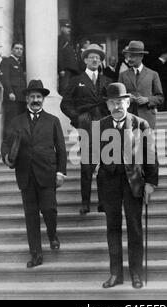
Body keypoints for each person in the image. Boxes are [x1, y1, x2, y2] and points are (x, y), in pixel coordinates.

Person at [1, 80, 67, 268]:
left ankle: (52, 234)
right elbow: (6, 143)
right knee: (31, 216)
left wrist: (61, 172)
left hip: (47, 173)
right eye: (32, 97)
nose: (35, 100)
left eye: (39, 97)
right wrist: (6, 156)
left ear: (43, 99)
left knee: (49, 210)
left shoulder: (53, 120)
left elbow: (61, 149)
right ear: (27, 99)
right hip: (26, 175)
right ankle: (36, 255)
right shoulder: (16, 121)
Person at [98, 82, 159, 289]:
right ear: (107, 105)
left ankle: (136, 274)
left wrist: (150, 182)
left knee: (134, 228)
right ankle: (116, 274)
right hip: (109, 185)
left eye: (121, 102)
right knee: (112, 229)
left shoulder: (140, 124)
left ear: (128, 102)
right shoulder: (100, 126)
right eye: (113, 102)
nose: (117, 106)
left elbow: (151, 155)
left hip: (133, 183)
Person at [61, 44, 112, 215]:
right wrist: (77, 118)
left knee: (105, 164)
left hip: (105, 124)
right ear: (85, 60)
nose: (95, 59)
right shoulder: (77, 80)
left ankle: (103, 202)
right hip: (86, 124)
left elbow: (113, 103)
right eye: (92, 57)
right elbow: (65, 103)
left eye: (98, 57)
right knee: (86, 165)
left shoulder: (107, 82)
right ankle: (85, 203)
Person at [118, 41, 164, 129]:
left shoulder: (153, 74)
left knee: (147, 143)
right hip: (129, 119)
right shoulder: (123, 75)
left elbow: (160, 98)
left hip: (147, 119)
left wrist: (147, 99)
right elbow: (118, 97)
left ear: (141, 57)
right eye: (128, 56)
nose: (129, 59)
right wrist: (128, 98)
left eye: (133, 56)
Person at [0, 42, 27, 141]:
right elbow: (4, 78)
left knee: (19, 125)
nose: (19, 51)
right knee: (10, 123)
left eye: (21, 49)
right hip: (12, 99)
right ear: (12, 50)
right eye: (17, 48)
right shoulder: (7, 61)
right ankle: (6, 149)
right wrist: (10, 92)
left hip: (21, 99)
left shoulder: (18, 64)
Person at [58, 20, 80, 95]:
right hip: (66, 70)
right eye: (67, 27)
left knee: (73, 90)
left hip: (73, 70)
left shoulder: (68, 40)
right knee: (64, 89)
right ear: (61, 28)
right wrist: (61, 69)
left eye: (69, 28)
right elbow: (59, 54)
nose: (69, 30)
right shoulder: (60, 40)